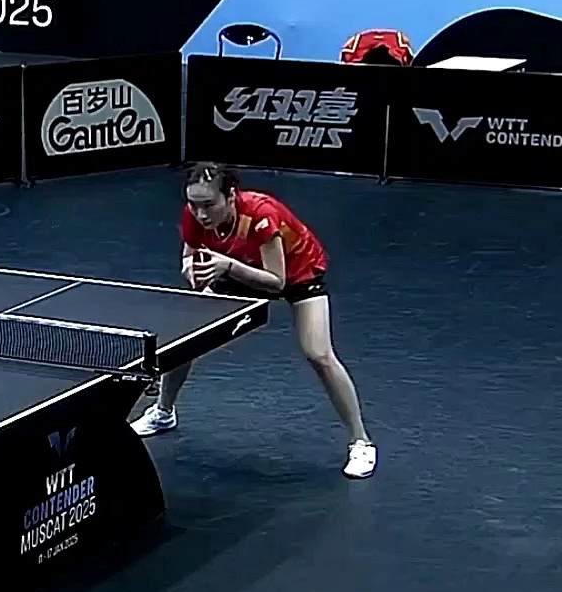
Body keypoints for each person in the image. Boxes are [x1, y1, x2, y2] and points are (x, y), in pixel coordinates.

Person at [132, 162, 378, 480]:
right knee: (186, 338)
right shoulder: (194, 214)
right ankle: (163, 412)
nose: (201, 214)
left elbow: (277, 282)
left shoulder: (261, 215)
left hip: (297, 272)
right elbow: (189, 257)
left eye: (209, 205)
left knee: (319, 354)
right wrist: (191, 270)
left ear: (231, 196)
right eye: (193, 204)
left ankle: (361, 441)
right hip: (239, 266)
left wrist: (227, 267)